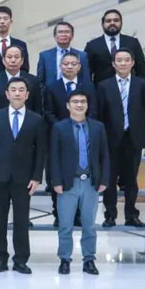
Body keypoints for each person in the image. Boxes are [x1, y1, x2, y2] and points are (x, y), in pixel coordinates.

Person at [0, 77, 46, 275]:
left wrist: (36, 177)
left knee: (21, 220)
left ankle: (21, 260)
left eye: (21, 90)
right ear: (7, 94)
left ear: (27, 94)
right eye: (13, 90)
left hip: (24, 178)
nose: (17, 93)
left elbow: (40, 151)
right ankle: (0, 258)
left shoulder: (36, 119)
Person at [51, 89, 109, 275]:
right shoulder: (59, 128)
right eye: (75, 101)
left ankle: (89, 259)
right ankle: (65, 259)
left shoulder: (98, 127)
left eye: (83, 101)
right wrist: (56, 181)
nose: (79, 104)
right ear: (68, 106)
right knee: (65, 225)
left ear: (87, 105)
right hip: (68, 183)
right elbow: (54, 157)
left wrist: (104, 179)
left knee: (89, 225)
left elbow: (104, 155)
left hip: (91, 183)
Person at [97, 48, 145, 228]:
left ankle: (131, 215)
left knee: (131, 179)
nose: (123, 63)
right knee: (110, 179)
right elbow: (100, 113)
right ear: (113, 64)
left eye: (126, 60)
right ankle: (110, 215)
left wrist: (135, 124)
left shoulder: (142, 84)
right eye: (119, 60)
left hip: (133, 138)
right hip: (111, 138)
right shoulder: (104, 86)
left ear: (133, 63)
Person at [43, 52, 97, 227]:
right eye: (66, 64)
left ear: (79, 67)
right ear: (60, 66)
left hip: (84, 136)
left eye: (73, 63)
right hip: (59, 137)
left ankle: (78, 215)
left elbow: (93, 110)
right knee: (58, 175)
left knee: (81, 176)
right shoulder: (52, 87)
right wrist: (65, 128)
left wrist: (82, 126)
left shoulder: (88, 87)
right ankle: (59, 214)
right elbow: (48, 112)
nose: (69, 67)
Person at [84, 9, 145, 85]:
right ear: (102, 24)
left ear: (121, 23)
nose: (112, 23)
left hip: (129, 88)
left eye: (116, 20)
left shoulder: (132, 42)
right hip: (101, 90)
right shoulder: (92, 45)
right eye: (108, 21)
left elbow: (140, 69)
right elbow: (86, 73)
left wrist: (141, 88)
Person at [0, 45, 42, 115]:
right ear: (3, 60)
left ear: (22, 61)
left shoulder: (33, 81)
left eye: (17, 57)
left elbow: (37, 109)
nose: (13, 60)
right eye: (9, 57)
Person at [36, 22, 91, 89]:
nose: (63, 34)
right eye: (60, 32)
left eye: (67, 32)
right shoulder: (45, 56)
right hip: (51, 94)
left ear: (72, 36)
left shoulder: (82, 56)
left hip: (75, 93)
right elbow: (39, 81)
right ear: (55, 36)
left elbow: (86, 79)